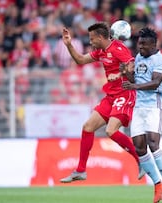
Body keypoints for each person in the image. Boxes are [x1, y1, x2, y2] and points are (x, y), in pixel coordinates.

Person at [59, 22, 140, 183]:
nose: (90, 42)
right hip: (111, 96)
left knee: (111, 131)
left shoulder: (118, 48)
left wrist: (118, 74)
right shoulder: (101, 52)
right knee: (88, 127)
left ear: (101, 37)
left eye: (92, 38)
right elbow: (81, 60)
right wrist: (69, 45)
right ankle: (81, 170)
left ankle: (141, 159)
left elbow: (132, 65)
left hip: (125, 93)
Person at [122, 27, 162, 203]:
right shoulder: (138, 58)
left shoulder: (161, 60)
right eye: (139, 43)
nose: (140, 47)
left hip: (154, 106)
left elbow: (155, 82)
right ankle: (157, 184)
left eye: (144, 44)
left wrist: (134, 86)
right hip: (138, 107)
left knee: (153, 142)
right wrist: (127, 73)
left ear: (154, 44)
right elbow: (135, 81)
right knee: (139, 147)